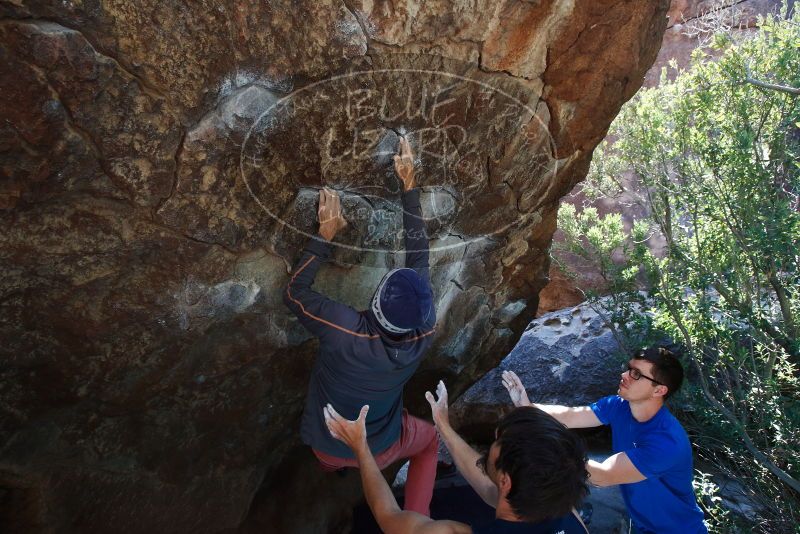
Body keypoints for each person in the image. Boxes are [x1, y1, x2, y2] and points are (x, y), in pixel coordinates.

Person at [283, 137, 438, 516]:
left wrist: (325, 235)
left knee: (332, 454)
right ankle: (416, 520)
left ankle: (331, 468)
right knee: (431, 441)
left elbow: (294, 292)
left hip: (329, 446)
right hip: (383, 447)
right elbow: (419, 259)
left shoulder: (344, 330)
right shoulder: (423, 331)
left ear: (375, 301)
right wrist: (409, 187)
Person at [323, 381, 589, 534]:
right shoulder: (563, 508)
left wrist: (361, 447)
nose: (495, 436)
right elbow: (491, 489)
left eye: (499, 441)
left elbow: (388, 515)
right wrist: (443, 426)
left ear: (506, 480)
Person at [502, 347, 707, 534]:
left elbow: (603, 476)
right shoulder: (619, 406)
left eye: (636, 374)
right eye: (628, 369)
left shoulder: (667, 442)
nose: (624, 375)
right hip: (642, 527)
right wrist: (528, 407)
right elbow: (571, 415)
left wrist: (548, 445)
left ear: (659, 390)